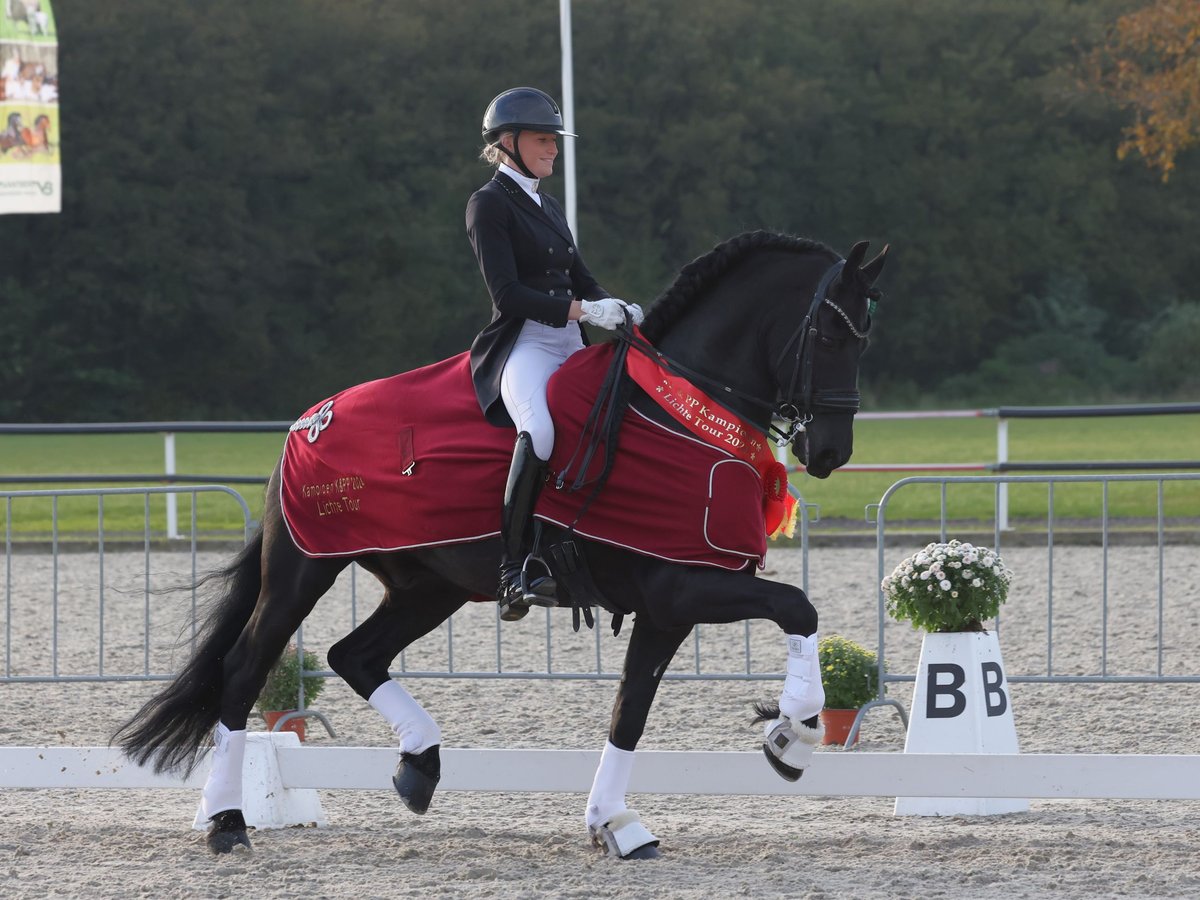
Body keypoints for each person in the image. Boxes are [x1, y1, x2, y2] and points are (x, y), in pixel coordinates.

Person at [466, 86, 641, 622]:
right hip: (526, 343)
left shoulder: (549, 203)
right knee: (540, 431)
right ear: (509, 142)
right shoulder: (488, 204)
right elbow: (508, 295)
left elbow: (580, 276)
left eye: (554, 140)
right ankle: (513, 571)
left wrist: (620, 310)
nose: (554, 149)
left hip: (571, 341)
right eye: (545, 140)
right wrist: (583, 312)